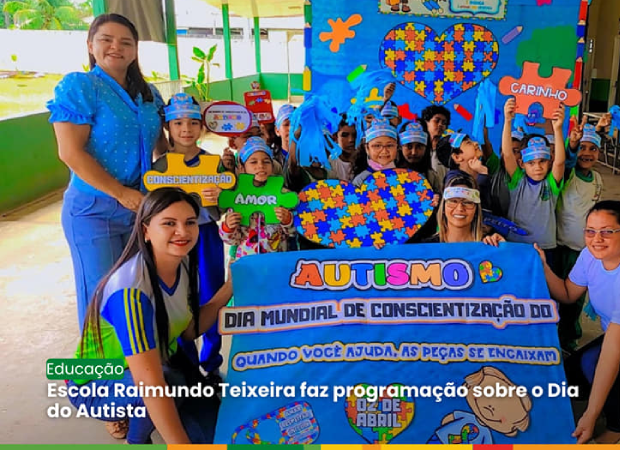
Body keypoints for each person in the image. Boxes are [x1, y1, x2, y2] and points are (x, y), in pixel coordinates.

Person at [68, 187, 233, 444]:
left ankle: (148, 415)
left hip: (161, 367)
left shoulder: (185, 263)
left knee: (216, 434)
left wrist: (228, 288)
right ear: (145, 230)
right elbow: (150, 384)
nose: (183, 231)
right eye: (169, 223)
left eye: (190, 222)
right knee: (168, 382)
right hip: (96, 383)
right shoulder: (131, 290)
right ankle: (137, 440)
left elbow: (189, 331)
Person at [47, 13, 165, 328]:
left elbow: (164, 150)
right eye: (106, 40)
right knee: (100, 295)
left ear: (136, 50)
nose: (116, 47)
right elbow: (70, 152)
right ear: (90, 45)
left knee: (137, 292)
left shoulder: (149, 93)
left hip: (142, 209)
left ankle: (137, 369)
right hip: (93, 210)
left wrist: (197, 171)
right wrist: (121, 193)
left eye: (126, 42)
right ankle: (94, 375)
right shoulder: (81, 86)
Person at [153, 92, 226, 384]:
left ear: (202, 127)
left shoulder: (214, 163)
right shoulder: (159, 168)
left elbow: (221, 211)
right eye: (178, 122)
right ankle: (185, 365)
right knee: (176, 299)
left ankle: (211, 363)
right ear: (167, 127)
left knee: (212, 296)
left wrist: (215, 200)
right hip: (171, 243)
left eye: (193, 122)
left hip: (207, 236)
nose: (186, 129)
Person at [534, 201, 620, 444]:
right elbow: (567, 293)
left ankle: (616, 428)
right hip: (612, 334)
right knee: (570, 376)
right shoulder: (590, 257)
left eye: (607, 231)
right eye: (590, 231)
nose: (597, 238)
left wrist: (590, 416)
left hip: (616, 340)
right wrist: (543, 266)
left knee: (599, 364)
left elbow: (612, 353)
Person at [556, 119, 604, 351]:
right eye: (583, 147)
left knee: (576, 299)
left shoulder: (597, 179)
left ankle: (569, 338)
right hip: (561, 247)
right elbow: (567, 160)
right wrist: (572, 144)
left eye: (592, 148)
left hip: (584, 252)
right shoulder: (568, 174)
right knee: (556, 295)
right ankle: (550, 337)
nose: (587, 153)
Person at [502, 98, 566, 263]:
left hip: (545, 246)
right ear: (522, 164)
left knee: (545, 286)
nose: (537, 167)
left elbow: (560, 162)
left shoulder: (551, 184)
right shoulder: (517, 181)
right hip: (516, 244)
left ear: (549, 161)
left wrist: (557, 129)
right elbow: (507, 154)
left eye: (542, 161)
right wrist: (507, 121)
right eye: (531, 163)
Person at [220, 137, 296, 259]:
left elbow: (294, 232)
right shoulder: (237, 198)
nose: (260, 166)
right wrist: (228, 227)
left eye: (266, 161)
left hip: (277, 262)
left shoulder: (284, 194)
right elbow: (232, 240)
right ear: (242, 168)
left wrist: (288, 220)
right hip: (248, 266)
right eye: (253, 162)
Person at [426, 173, 504, 246]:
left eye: (467, 202)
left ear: (476, 209)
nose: (460, 208)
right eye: (453, 201)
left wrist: (504, 250)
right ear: (443, 208)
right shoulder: (427, 247)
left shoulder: (489, 245)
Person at [352, 118, 399, 187]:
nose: (384, 151)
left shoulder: (405, 176)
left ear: (397, 147)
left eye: (390, 145)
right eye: (377, 146)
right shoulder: (361, 181)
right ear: (367, 148)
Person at [421, 105, 451, 184]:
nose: (440, 125)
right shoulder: (419, 150)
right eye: (437, 121)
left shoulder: (449, 151)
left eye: (444, 123)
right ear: (426, 122)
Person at [330, 114, 358, 182]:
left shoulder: (366, 161)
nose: (351, 140)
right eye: (345, 135)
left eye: (355, 135)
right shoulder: (330, 163)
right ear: (335, 138)